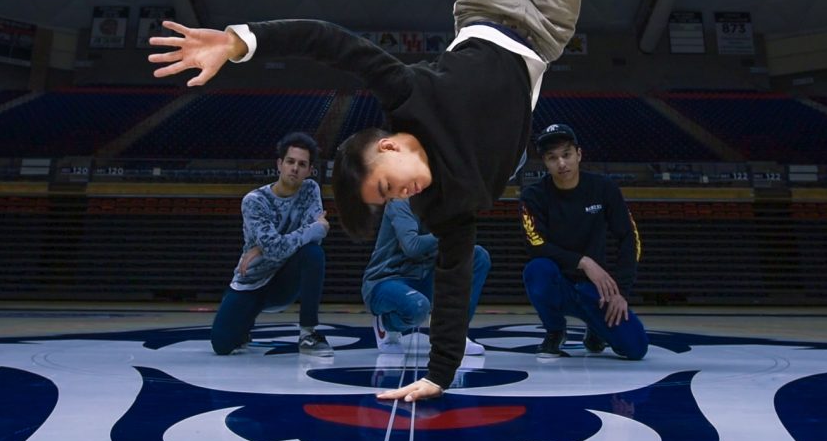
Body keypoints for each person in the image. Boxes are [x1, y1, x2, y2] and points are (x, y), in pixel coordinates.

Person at [149, 0, 614, 400]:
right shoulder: (449, 207)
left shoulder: (405, 96)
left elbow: (327, 41)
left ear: (390, 147)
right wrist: (438, 374)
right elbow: (450, 286)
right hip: (545, 35)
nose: (404, 192)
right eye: (392, 197)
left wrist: (238, 41)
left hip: (481, 4)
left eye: (389, 181)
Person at [520, 123, 648, 360]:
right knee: (537, 270)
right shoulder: (533, 195)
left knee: (636, 348)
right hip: (558, 282)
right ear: (545, 162)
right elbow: (536, 245)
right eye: (552, 158)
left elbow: (629, 237)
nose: (561, 164)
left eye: (566, 155)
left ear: (579, 154)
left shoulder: (604, 188)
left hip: (595, 288)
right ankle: (555, 331)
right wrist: (583, 262)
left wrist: (620, 291)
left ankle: (596, 329)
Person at [209, 132, 333, 357]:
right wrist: (311, 228)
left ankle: (308, 334)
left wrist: (265, 247)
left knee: (313, 253)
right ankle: (244, 323)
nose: (295, 168)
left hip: (283, 281)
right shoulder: (254, 201)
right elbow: (308, 233)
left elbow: (315, 239)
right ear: (280, 164)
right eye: (290, 162)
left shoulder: (310, 189)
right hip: (253, 280)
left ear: (309, 170)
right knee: (222, 345)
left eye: (302, 164)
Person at [364, 199, 490, 356]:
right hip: (388, 279)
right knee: (418, 306)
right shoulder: (400, 202)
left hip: (425, 276)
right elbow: (412, 246)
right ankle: (385, 324)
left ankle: (454, 334)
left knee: (477, 255)